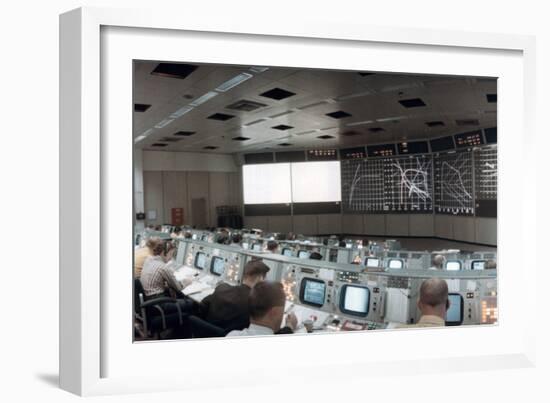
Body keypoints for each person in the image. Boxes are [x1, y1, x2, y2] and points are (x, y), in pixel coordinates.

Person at [198, 260, 271, 330]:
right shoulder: (255, 303)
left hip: (207, 333)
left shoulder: (222, 288)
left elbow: (203, 304)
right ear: (260, 278)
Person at [226, 281, 298, 337]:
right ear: (274, 312)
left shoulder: (232, 335)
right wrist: (290, 326)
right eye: (282, 311)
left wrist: (289, 327)